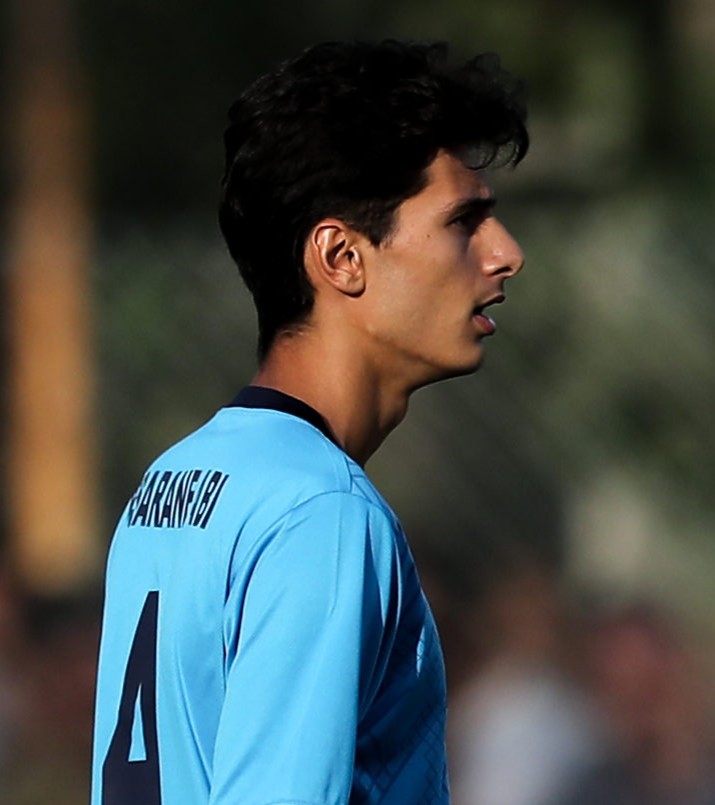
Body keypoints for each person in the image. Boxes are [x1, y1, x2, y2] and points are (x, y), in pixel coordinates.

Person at [91, 39, 528, 805]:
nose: (505, 253)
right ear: (341, 256)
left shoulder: (170, 482)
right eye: (464, 220)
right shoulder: (321, 510)